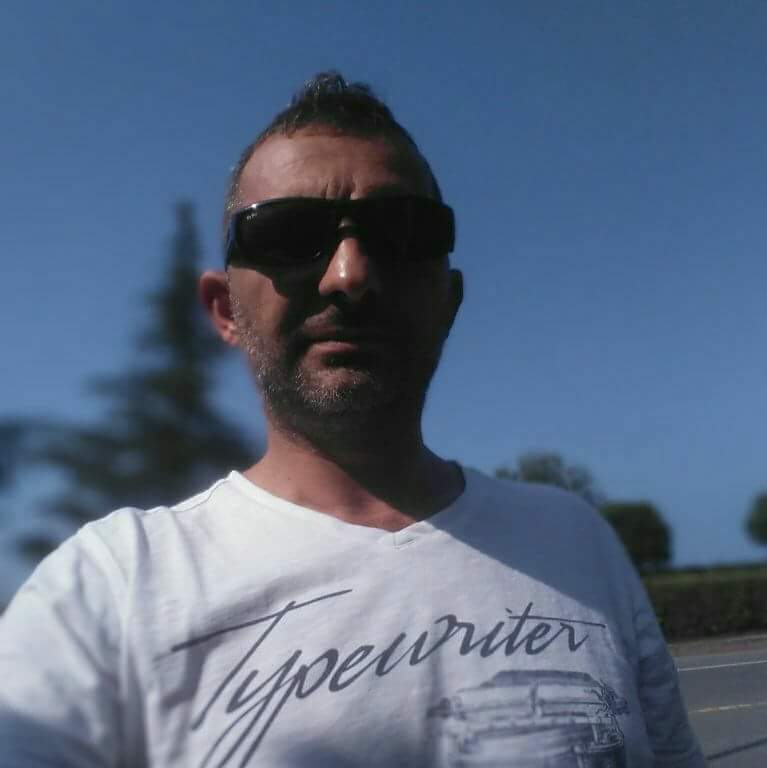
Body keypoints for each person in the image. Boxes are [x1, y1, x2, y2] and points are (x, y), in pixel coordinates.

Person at [0, 72, 704, 767]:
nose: (349, 274)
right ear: (224, 309)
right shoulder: (108, 591)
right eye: (286, 233)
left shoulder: (576, 540)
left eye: (402, 232)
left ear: (449, 298)